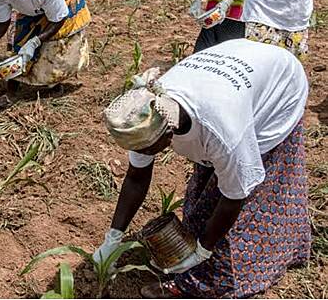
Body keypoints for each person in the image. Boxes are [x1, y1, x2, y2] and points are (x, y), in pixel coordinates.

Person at [97, 39, 310, 298]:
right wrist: (113, 238)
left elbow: (235, 197)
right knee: (210, 182)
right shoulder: (148, 113)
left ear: (167, 137)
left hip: (280, 88)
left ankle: (222, 277)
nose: (141, 154)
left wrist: (203, 251)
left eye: (147, 150)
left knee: (251, 201)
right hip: (240, 68)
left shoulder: (224, 132)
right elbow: (136, 177)